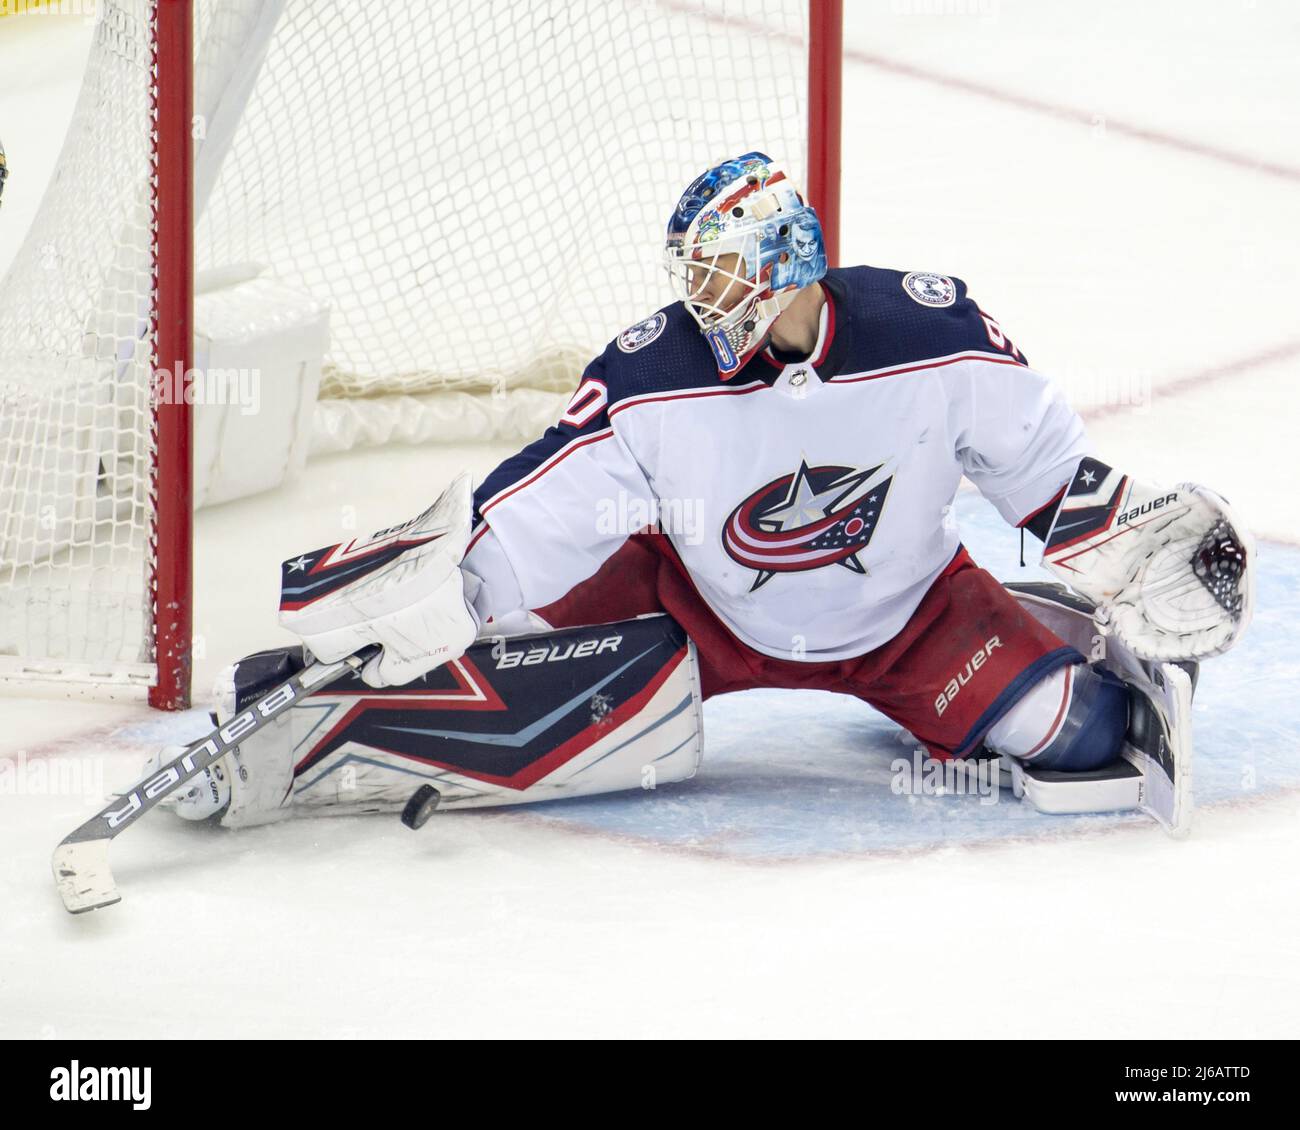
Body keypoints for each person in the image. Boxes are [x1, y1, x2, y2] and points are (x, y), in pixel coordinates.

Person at [161, 152, 1253, 828]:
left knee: (1080, 731)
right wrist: (446, 592)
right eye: (693, 274)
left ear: (784, 261)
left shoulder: (932, 334)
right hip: (690, 604)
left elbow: (1043, 468)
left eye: (721, 271)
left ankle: (1026, 638)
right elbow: (549, 501)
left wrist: (1132, 538)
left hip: (913, 614)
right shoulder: (658, 372)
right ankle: (308, 718)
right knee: (500, 674)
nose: (702, 295)